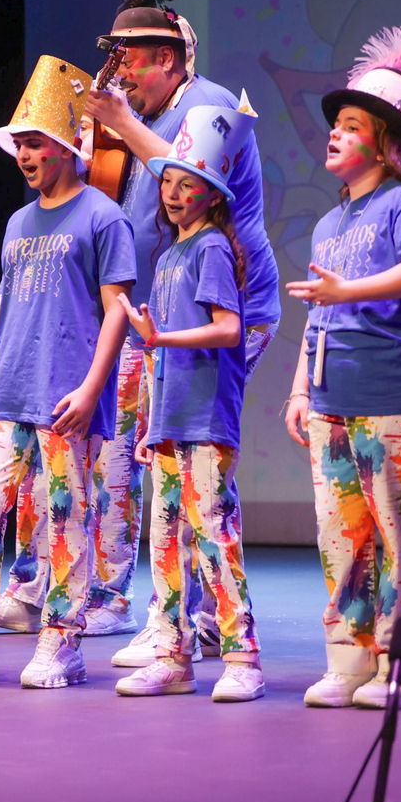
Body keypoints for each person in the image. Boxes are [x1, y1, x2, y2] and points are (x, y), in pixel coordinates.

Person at [0, 0, 282, 647]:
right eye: (116, 62)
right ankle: (117, 597)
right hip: (153, 312)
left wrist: (120, 122)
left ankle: (204, 619)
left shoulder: (213, 107)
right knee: (127, 457)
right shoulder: (142, 122)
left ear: (167, 59)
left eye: (129, 62)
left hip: (222, 309)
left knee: (194, 457)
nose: (120, 74)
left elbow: (191, 177)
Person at [0, 56, 134, 688]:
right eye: (19, 145)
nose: (24, 154)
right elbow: (5, 314)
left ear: (66, 148)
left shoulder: (102, 216)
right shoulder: (16, 222)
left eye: (34, 143)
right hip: (8, 391)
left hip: (66, 394)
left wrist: (94, 389)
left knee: (64, 516)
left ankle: (61, 640)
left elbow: (117, 309)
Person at [285, 24, 401, 709]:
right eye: (334, 125)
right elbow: (321, 310)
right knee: (342, 536)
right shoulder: (329, 224)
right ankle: (350, 658)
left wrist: (345, 292)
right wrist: (300, 387)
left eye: (349, 124)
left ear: (386, 140)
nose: (333, 134)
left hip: (393, 394)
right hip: (333, 399)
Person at [111, 101, 265, 702]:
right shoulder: (170, 254)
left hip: (206, 417)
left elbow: (228, 328)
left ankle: (242, 656)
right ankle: (173, 656)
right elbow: (157, 352)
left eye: (187, 185)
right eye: (167, 183)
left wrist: (162, 338)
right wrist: (150, 420)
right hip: (172, 419)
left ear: (212, 196)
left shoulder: (210, 250)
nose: (173, 194)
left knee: (213, 533)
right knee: (167, 539)